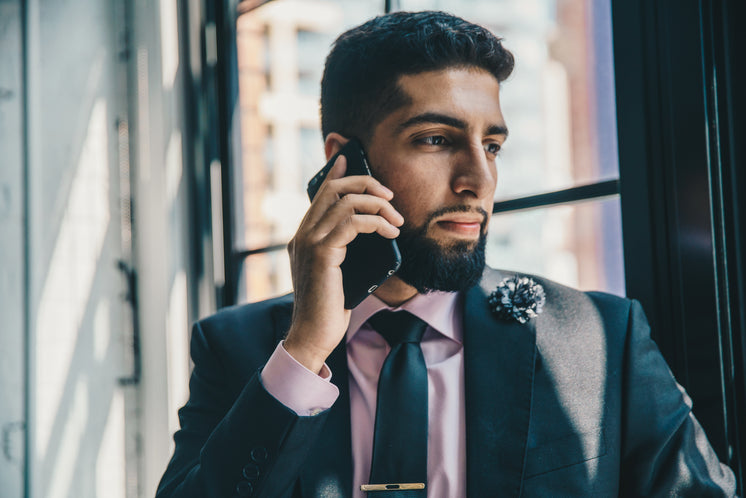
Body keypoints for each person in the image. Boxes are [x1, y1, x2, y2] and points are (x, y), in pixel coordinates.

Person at [156, 11, 737, 498]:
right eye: (436, 140)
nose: (478, 180)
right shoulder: (237, 349)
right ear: (343, 162)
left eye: (492, 145)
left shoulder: (601, 340)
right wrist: (305, 350)